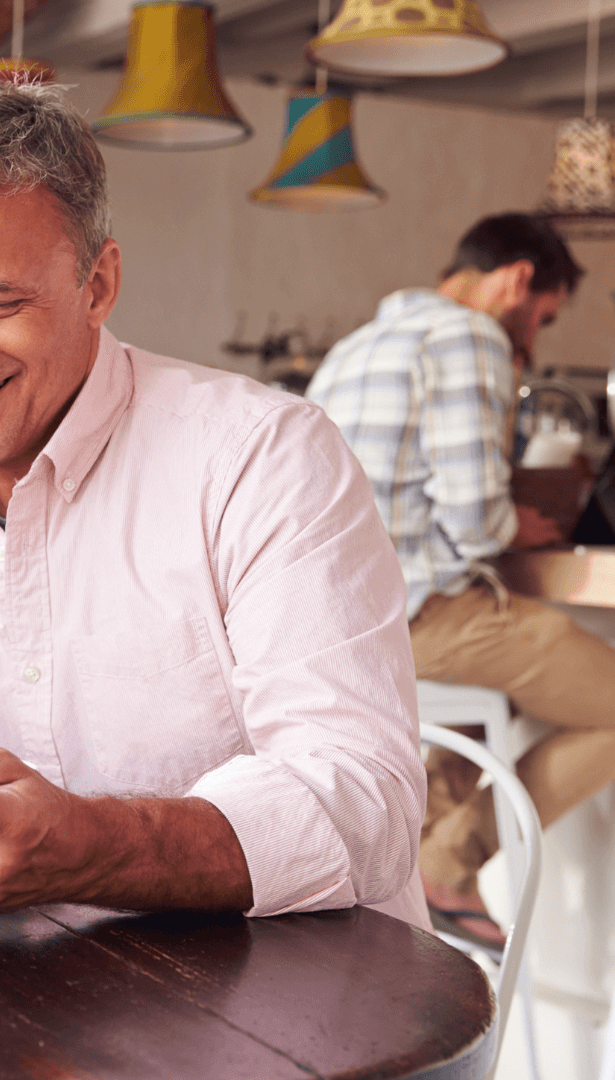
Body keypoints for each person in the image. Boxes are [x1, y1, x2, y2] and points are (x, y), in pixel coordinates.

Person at [0, 77, 428, 928]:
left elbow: (366, 806)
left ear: (98, 285)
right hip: (12, 1014)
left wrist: (91, 846)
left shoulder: (263, 457)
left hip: (296, 1019)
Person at [306, 212, 615, 947]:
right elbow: (475, 516)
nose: (533, 342)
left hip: (339, 624)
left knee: (502, 706)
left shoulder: (356, 346)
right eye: (541, 318)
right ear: (516, 280)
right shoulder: (469, 335)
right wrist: (518, 527)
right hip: (420, 613)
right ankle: (448, 861)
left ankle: (412, 858)